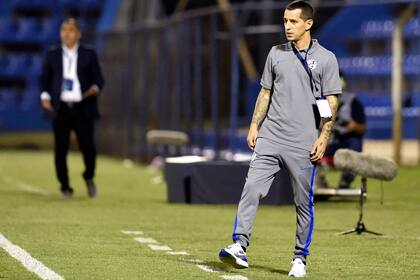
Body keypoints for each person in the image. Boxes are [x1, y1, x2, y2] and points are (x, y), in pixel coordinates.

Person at [218, 1, 341, 277]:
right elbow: (265, 93)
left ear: (308, 23)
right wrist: (254, 125)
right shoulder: (275, 54)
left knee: (302, 202)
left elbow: (331, 101)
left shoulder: (326, 59)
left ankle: (300, 258)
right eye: (285, 21)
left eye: (293, 22)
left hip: (304, 142)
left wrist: (324, 136)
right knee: (251, 188)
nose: (287, 26)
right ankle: (240, 245)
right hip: (271, 137)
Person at [40, 18, 105, 198]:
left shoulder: (89, 54)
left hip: (83, 107)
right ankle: (65, 186)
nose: (66, 34)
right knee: (60, 148)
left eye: (70, 30)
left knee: (88, 147)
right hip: (61, 108)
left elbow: (99, 79)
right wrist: (45, 95)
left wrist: (94, 89)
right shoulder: (52, 54)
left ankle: (89, 177)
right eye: (63, 30)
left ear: (78, 34)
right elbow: (44, 78)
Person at [316, 71, 366, 189]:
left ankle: (346, 180)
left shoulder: (352, 101)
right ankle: (317, 180)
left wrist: (354, 127)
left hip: (347, 141)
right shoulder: (321, 102)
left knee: (354, 143)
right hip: (328, 142)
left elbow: (362, 128)